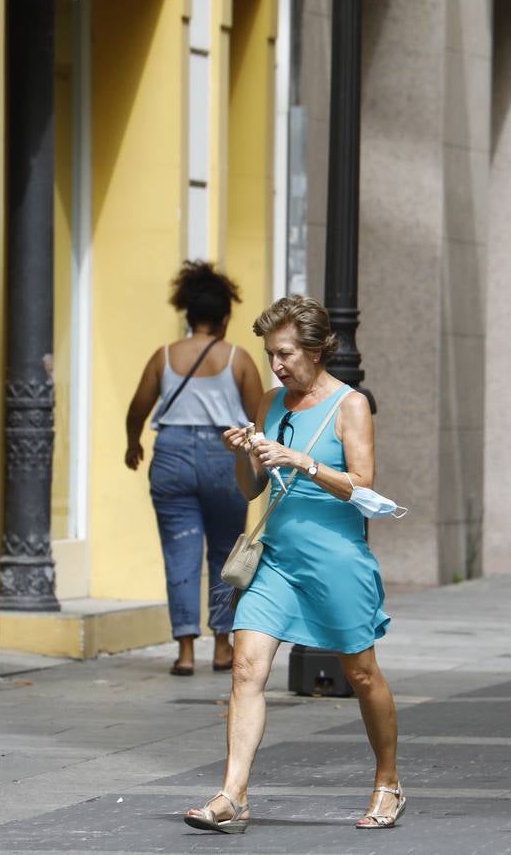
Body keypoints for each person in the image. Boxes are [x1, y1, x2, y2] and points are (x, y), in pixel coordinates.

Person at [183, 295, 404, 836]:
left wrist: (304, 461)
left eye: (284, 354)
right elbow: (253, 487)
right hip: (276, 560)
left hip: (336, 560)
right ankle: (233, 793)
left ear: (316, 348)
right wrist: (245, 453)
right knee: (245, 667)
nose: (276, 365)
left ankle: (388, 780)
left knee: (360, 673)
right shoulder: (269, 401)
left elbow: (364, 484)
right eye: (270, 354)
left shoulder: (350, 404)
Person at [125, 262, 264, 675]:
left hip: (172, 456)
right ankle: (222, 645)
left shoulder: (163, 356)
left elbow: (138, 407)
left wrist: (132, 442)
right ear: (224, 318)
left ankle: (185, 651)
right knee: (225, 551)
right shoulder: (237, 358)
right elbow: (259, 416)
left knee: (179, 550)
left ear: (188, 315)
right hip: (225, 455)